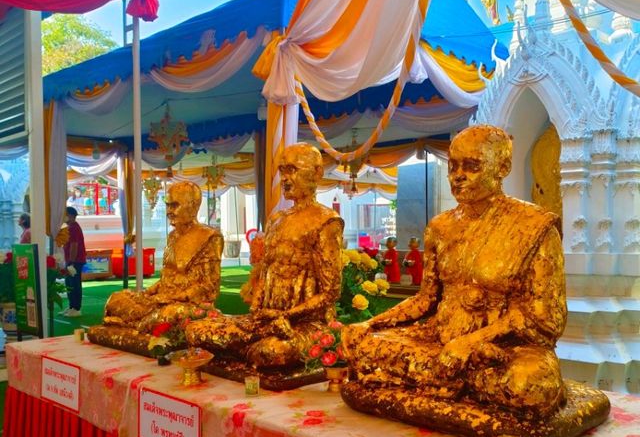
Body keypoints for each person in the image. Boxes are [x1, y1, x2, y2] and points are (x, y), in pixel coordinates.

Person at [342, 125, 568, 418]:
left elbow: (547, 316)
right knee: (365, 347)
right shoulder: (441, 227)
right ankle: (452, 382)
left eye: (472, 166)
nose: (458, 176)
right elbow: (426, 300)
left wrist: (472, 343)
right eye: (453, 167)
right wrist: (370, 324)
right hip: (439, 339)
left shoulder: (534, 225)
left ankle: (447, 381)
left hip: (505, 348)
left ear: (502, 168)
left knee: (528, 384)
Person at [186, 142, 344, 368]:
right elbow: (264, 272)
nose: (286, 178)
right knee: (196, 330)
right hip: (268, 320)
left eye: (293, 170)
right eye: (282, 171)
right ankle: (247, 347)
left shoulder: (326, 221)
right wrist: (256, 312)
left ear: (317, 172)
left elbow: (330, 292)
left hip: (304, 324)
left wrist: (287, 315)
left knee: (272, 352)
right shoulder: (276, 219)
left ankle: (243, 350)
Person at [100, 181, 223, 333]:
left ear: (193, 206)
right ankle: (136, 324)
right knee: (116, 299)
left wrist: (173, 297)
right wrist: (148, 293)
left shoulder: (209, 237)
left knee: (170, 314)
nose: (169, 211)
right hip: (162, 299)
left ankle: (134, 326)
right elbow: (167, 278)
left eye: (175, 205)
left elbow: (208, 286)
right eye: (168, 206)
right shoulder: (173, 236)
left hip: (186, 304)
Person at [62, 206, 87, 317]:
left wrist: (71, 261)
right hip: (71, 260)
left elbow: (74, 246)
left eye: (65, 215)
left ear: (71, 215)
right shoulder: (70, 227)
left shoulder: (73, 228)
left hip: (75, 260)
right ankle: (72, 306)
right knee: (69, 283)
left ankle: (76, 308)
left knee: (74, 283)